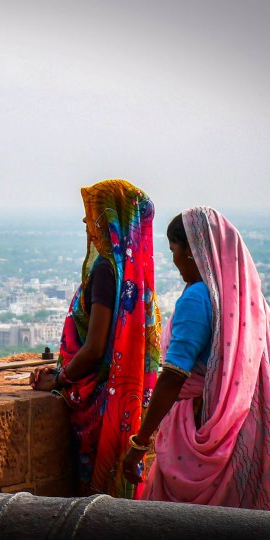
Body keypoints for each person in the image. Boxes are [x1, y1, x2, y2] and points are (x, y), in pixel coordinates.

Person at [121, 207, 270, 513]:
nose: (175, 260)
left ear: (193, 251)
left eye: (175, 250)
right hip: (239, 428)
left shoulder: (196, 298)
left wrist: (139, 443)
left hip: (197, 429)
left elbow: (174, 375)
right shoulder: (242, 299)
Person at [30, 179, 161, 498]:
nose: (86, 221)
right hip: (126, 399)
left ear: (106, 218)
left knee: (97, 501)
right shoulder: (132, 272)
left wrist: (60, 378)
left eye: (91, 213)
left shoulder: (106, 271)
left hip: (99, 405)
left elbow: (95, 348)